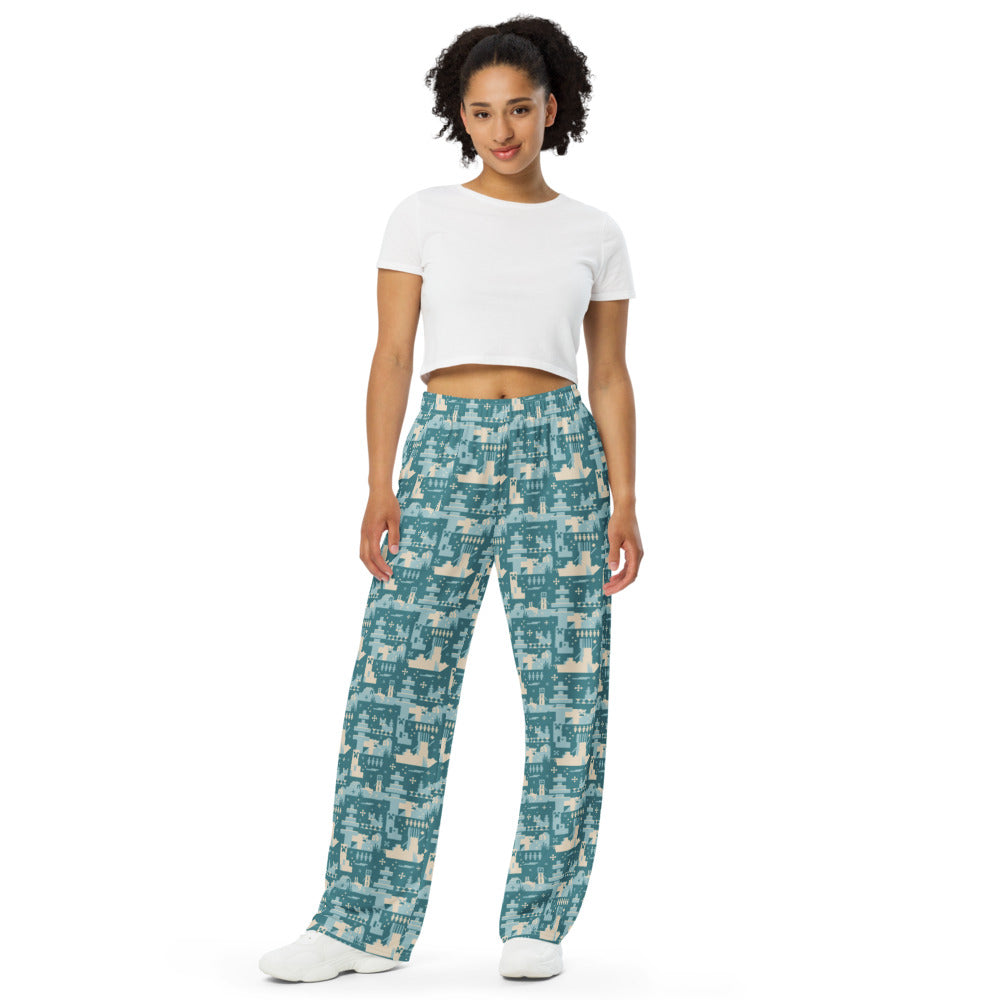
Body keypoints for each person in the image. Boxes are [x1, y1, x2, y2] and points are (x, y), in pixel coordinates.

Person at [259, 15, 643, 983]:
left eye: (518, 109)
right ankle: (359, 922)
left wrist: (626, 497)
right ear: (458, 117)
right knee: (396, 681)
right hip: (443, 446)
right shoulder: (422, 214)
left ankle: (538, 919)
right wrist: (378, 481)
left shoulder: (595, 232)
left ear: (552, 108)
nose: (500, 130)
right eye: (481, 112)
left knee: (567, 688)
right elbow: (392, 354)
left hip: (560, 454)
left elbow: (608, 375)